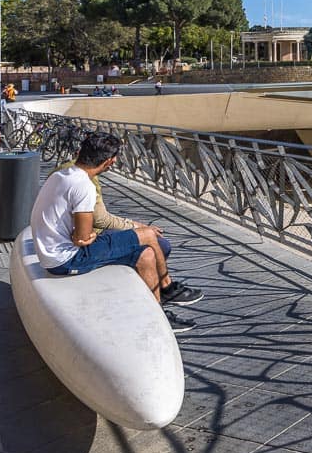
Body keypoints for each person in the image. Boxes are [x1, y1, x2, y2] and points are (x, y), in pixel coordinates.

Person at [31, 132, 200, 332]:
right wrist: (88, 236)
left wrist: (85, 236)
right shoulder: (83, 185)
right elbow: (82, 238)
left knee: (146, 254)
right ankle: (167, 288)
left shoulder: (62, 174)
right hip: (66, 260)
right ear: (109, 162)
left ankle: (158, 313)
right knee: (149, 235)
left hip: (51, 253)